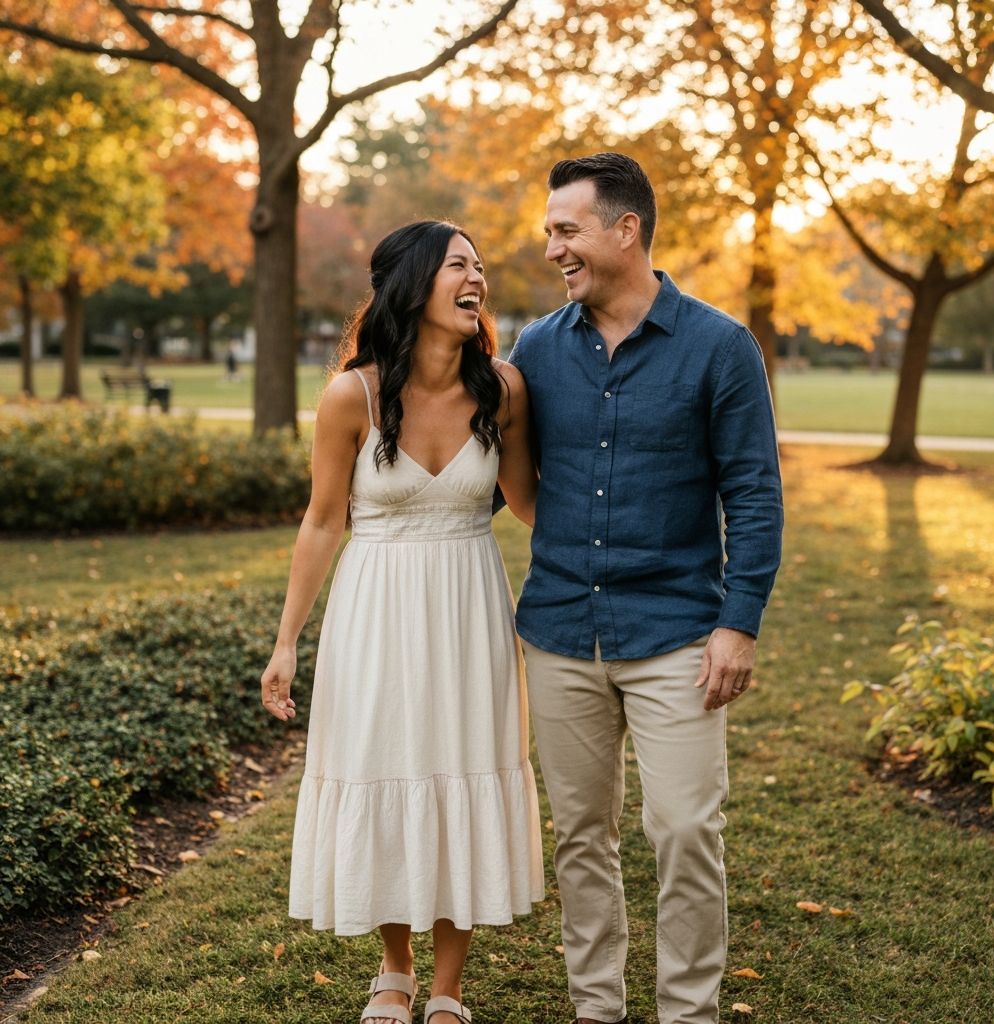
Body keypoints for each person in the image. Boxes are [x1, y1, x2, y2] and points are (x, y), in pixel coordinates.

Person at [508, 153, 784, 1024]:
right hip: (558, 633)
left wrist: (738, 624)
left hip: (677, 637)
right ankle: (597, 1006)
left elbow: (754, 493)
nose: (553, 248)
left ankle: (688, 1012)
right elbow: (505, 472)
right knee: (581, 836)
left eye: (567, 230)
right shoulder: (536, 348)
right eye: (550, 231)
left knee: (686, 831)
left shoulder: (719, 346)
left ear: (626, 229)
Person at [261, 220, 545, 1024]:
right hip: (375, 608)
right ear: (414, 283)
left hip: (469, 604)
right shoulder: (351, 395)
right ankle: (396, 967)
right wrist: (287, 644)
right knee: (386, 762)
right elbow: (322, 521)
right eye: (460, 265)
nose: (477, 279)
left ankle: (449, 985)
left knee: (464, 761)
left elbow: (527, 504)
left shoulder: (505, 389)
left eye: (481, 268)